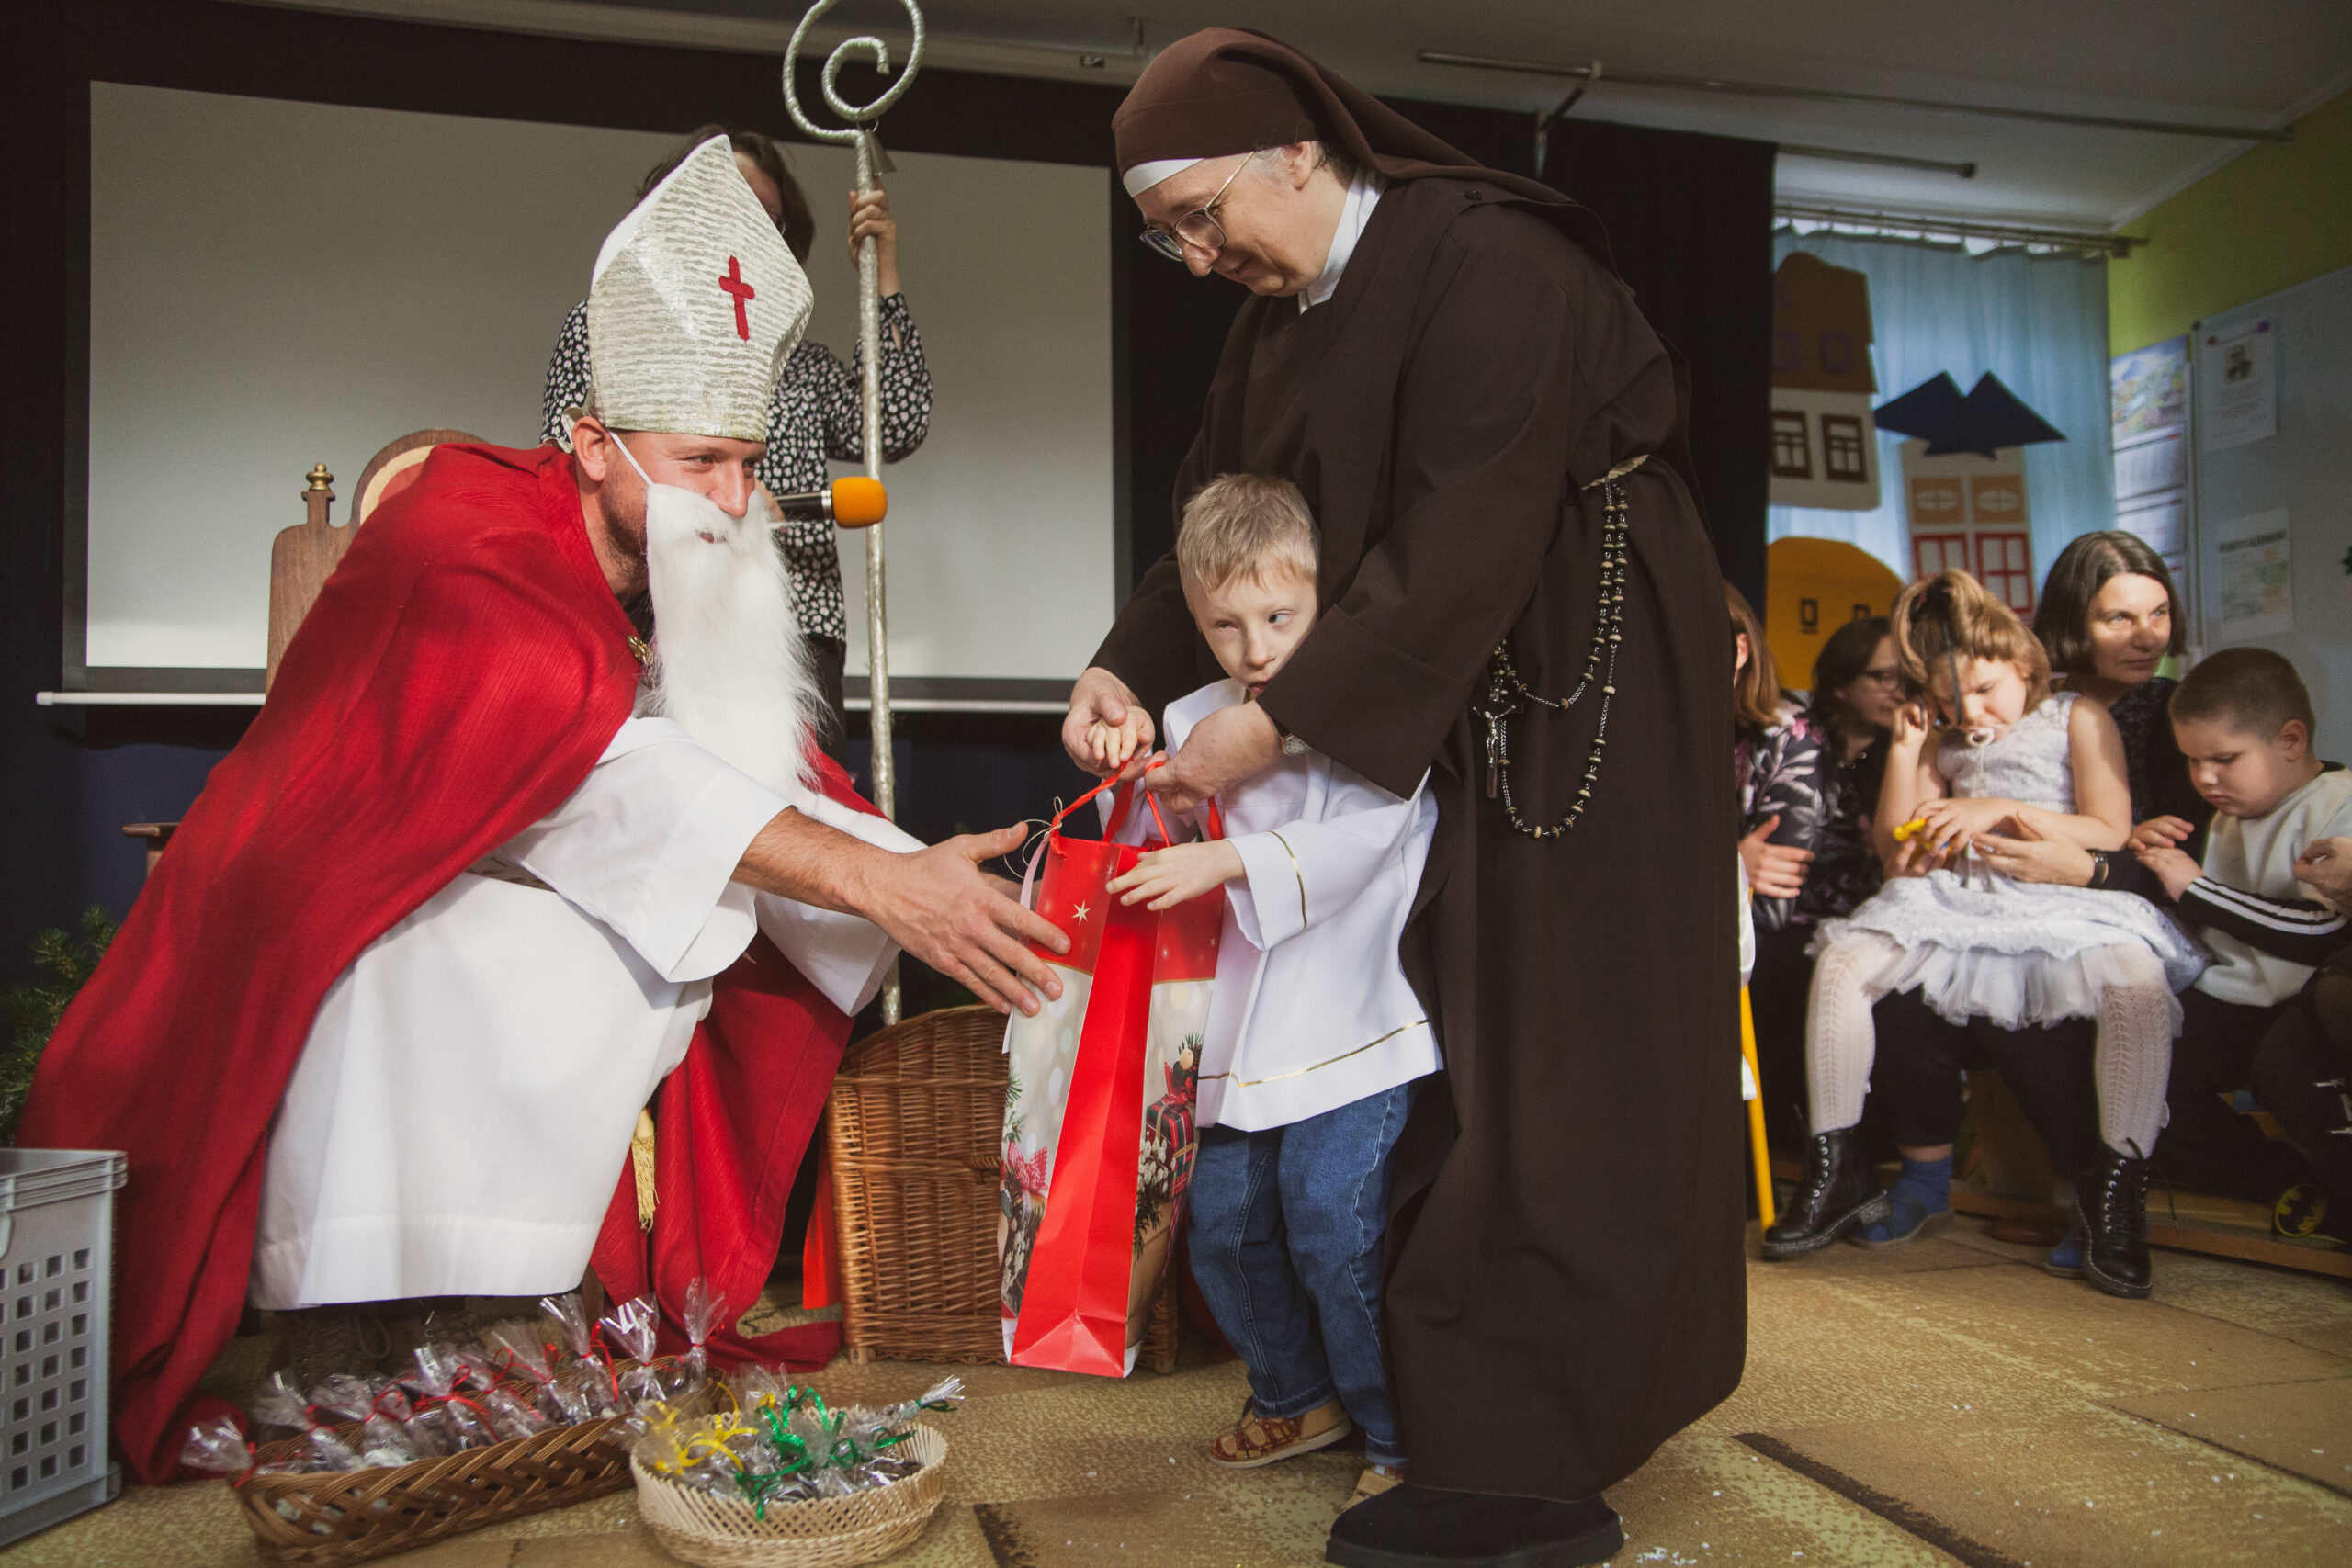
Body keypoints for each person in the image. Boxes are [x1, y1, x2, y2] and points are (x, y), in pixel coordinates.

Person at [17, 137, 1065, 1485]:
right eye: (702, 461)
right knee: (446, 972)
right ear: (588, 440)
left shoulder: (689, 540)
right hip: (316, 906)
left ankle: (537, 1329)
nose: (738, 500)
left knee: (637, 950)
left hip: (513, 864)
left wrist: (911, 866)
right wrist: (882, 889)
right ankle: (390, 1341)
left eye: (750, 460)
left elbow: (751, 767)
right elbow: (588, 767)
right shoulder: (462, 535)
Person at [1065, 30, 1742, 1567]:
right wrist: (1123, 665)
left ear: (1302, 150)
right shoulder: (1282, 315)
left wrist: (1280, 720)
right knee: (1469, 1044)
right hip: (1452, 692)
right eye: (1162, 232)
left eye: (1197, 213)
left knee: (1567, 1049)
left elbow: (1474, 528)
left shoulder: (1489, 260)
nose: (1189, 257)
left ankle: (1536, 1455)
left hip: (1593, 673)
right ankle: (1453, 1404)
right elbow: (1218, 525)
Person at [1089, 474, 1435, 1513]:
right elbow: (1162, 837)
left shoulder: (1367, 705)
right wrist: (1127, 772)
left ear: (1323, 600)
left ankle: (1396, 1429)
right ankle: (1295, 1393)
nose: (1256, 648)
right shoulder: (1191, 716)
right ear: (1193, 619)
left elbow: (1374, 838)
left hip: (1353, 1015)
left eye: (1280, 617)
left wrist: (1229, 866)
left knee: (1331, 1217)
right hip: (1242, 1025)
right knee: (1225, 1225)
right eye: (1226, 625)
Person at [1761, 570, 2203, 1301]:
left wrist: (1996, 808)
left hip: (2056, 896)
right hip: (1960, 901)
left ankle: (2116, 1197)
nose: (1972, 713)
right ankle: (1835, 1162)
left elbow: (2110, 828)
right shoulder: (1941, 735)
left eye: (1988, 690)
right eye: (1946, 701)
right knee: (1843, 960)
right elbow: (1897, 855)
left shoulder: (2074, 714)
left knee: (2135, 980)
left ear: (2024, 665)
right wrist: (1910, 752)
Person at [540, 124, 932, 748]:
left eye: (764, 215)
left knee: (802, 821)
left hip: (793, 624)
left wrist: (882, 277)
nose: (741, 226)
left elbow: (897, 421)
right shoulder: (611, 323)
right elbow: (566, 455)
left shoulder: (798, 361)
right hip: (653, 621)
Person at [2130, 649, 2352, 1202]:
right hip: (2234, 992)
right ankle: (2284, 1183)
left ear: (2292, 741)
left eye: (2225, 758)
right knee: (2142, 1075)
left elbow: (2323, 933)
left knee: (2284, 1075)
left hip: (2303, 1002)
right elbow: (2210, 918)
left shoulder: (2337, 804)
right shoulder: (2228, 810)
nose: (2205, 778)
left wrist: (2197, 889)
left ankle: (2327, 1184)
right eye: (2192, 760)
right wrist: (2150, 860)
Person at [1970, 531, 2201, 893]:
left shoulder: (2181, 716)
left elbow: (2191, 863)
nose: (2148, 638)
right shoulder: (2020, 706)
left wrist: (2118, 847)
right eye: (2120, 619)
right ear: (2072, 623)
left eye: (2159, 613)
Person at [1747, 617, 1899, 1145]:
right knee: (1785, 969)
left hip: (1865, 924)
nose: (1899, 691)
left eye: (1908, 678)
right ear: (1840, 684)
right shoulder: (1798, 742)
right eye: (1884, 677)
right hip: (1781, 924)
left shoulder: (1896, 752)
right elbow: (1774, 884)